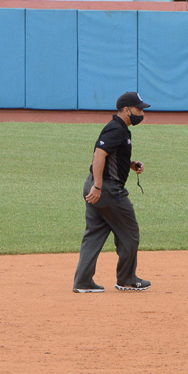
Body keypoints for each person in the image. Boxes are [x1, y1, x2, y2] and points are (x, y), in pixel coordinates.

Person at [73, 92, 152, 293]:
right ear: (127, 110)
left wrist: (131, 165)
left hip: (97, 185)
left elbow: (111, 157)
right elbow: (99, 154)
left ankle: (83, 282)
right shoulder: (116, 129)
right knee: (130, 233)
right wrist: (98, 186)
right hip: (108, 190)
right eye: (139, 109)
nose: (142, 113)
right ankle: (126, 278)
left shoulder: (121, 129)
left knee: (95, 234)